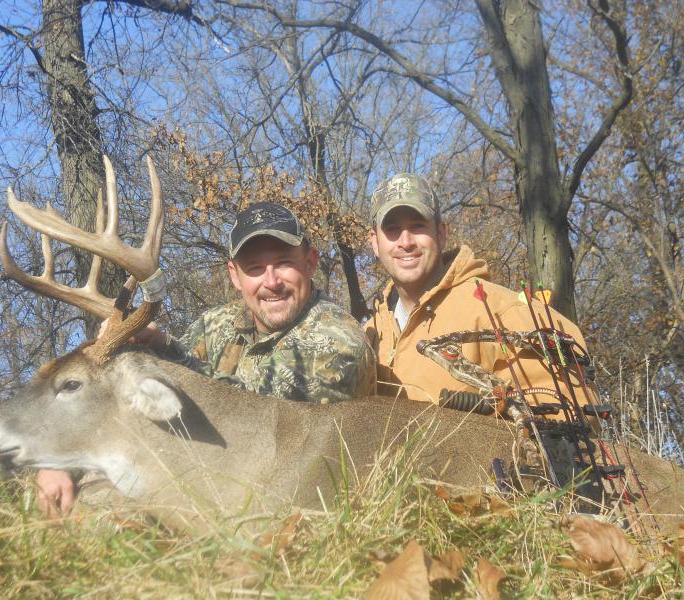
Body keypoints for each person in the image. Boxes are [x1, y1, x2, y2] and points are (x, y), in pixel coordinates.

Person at [38, 202, 376, 515]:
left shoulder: (336, 340)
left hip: (301, 500)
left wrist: (166, 350)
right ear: (234, 275)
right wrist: (59, 457)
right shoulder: (216, 325)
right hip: (220, 483)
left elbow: (262, 427)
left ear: (311, 262)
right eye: (255, 268)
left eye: (284, 263)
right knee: (85, 501)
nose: (271, 282)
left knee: (117, 512)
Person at [364, 173, 589, 410]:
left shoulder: (501, 312)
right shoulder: (367, 334)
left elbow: (570, 411)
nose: (406, 241)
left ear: (441, 234)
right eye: (392, 229)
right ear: (375, 243)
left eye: (418, 226)